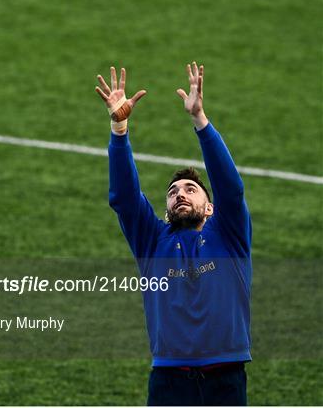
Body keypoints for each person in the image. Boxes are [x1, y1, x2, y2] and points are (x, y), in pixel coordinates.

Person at [95, 63, 252, 406]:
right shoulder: (153, 242)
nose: (181, 193)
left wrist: (200, 120)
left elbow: (231, 189)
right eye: (173, 191)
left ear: (210, 208)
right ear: (166, 210)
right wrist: (119, 129)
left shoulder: (230, 235)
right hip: (168, 381)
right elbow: (123, 197)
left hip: (225, 379)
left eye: (192, 190)